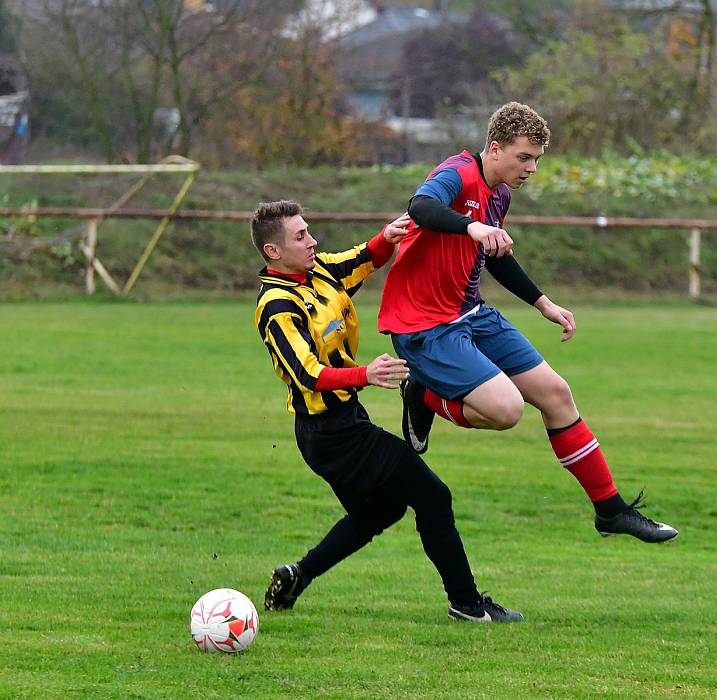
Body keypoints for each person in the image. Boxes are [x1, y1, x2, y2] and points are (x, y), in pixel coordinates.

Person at [378, 102, 678, 544]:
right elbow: (420, 207)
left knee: (556, 394)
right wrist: (472, 228)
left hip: (470, 312)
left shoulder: (500, 194)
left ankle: (610, 510)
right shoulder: (457, 173)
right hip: (425, 323)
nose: (532, 168)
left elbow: (495, 256)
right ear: (495, 148)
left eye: (537, 159)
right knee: (506, 411)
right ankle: (423, 394)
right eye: (524, 157)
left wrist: (543, 303)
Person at [251, 199, 523, 622]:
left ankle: (297, 576)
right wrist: (366, 374)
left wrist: (387, 236)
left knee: (379, 510)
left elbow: (360, 259)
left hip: (341, 426)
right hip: (331, 434)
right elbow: (307, 375)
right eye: (301, 236)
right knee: (434, 496)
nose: (313, 241)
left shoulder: (316, 270)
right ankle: (467, 605)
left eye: (309, 231)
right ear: (273, 251)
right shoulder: (277, 306)